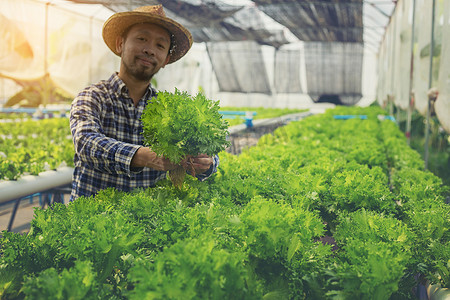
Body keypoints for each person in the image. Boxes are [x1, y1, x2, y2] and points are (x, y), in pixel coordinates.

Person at [69, 5, 219, 201]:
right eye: (142, 39)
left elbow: (205, 150)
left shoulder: (169, 108)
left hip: (148, 225)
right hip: (91, 223)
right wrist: (142, 156)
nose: (149, 50)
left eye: (160, 45)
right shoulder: (93, 97)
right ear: (120, 44)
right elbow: (86, 143)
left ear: (166, 59)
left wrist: (207, 163)